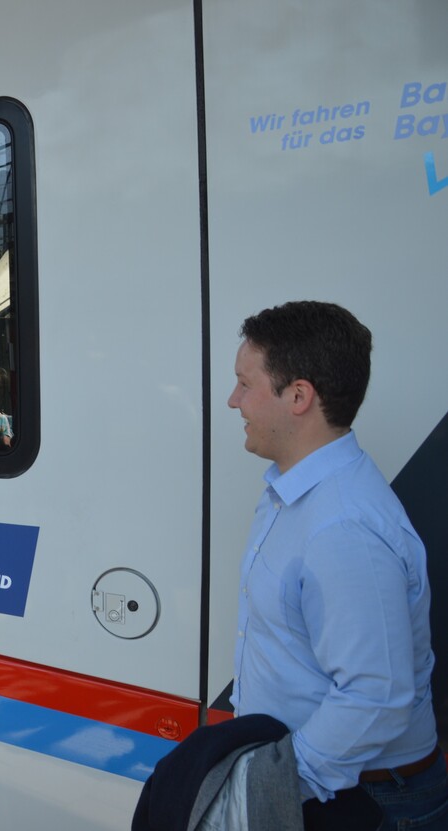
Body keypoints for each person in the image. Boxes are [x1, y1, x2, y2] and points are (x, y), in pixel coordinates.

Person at [227, 300, 447, 828]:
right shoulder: (296, 491)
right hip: (337, 789)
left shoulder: (343, 527)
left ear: (299, 396)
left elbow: (376, 696)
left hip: (362, 803)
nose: (234, 401)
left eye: (245, 383)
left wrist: (273, 788)